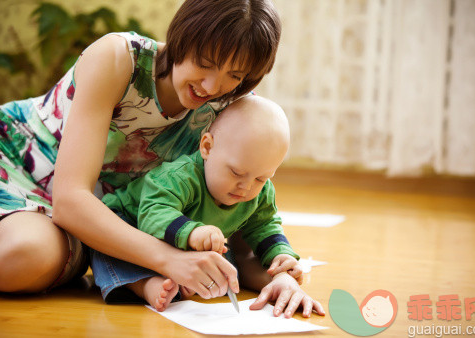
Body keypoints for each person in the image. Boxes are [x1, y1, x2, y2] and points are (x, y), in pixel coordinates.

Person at [0, 0, 320, 318]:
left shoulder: (230, 108)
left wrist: (282, 278)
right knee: (18, 253)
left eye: (235, 75)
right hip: (16, 163)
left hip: (95, 218)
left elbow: (244, 230)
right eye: (205, 62)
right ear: (182, 35)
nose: (211, 86)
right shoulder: (119, 59)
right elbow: (71, 199)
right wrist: (168, 260)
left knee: (27, 257)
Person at [91, 96, 323, 317]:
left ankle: (274, 283)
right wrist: (193, 232)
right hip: (130, 223)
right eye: (236, 172)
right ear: (207, 147)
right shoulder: (179, 177)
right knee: (107, 245)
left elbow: (266, 226)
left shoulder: (259, 192)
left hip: (180, 245)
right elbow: (153, 215)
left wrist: (281, 258)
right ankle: (143, 284)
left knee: (228, 259)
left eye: (261, 178)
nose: (246, 187)